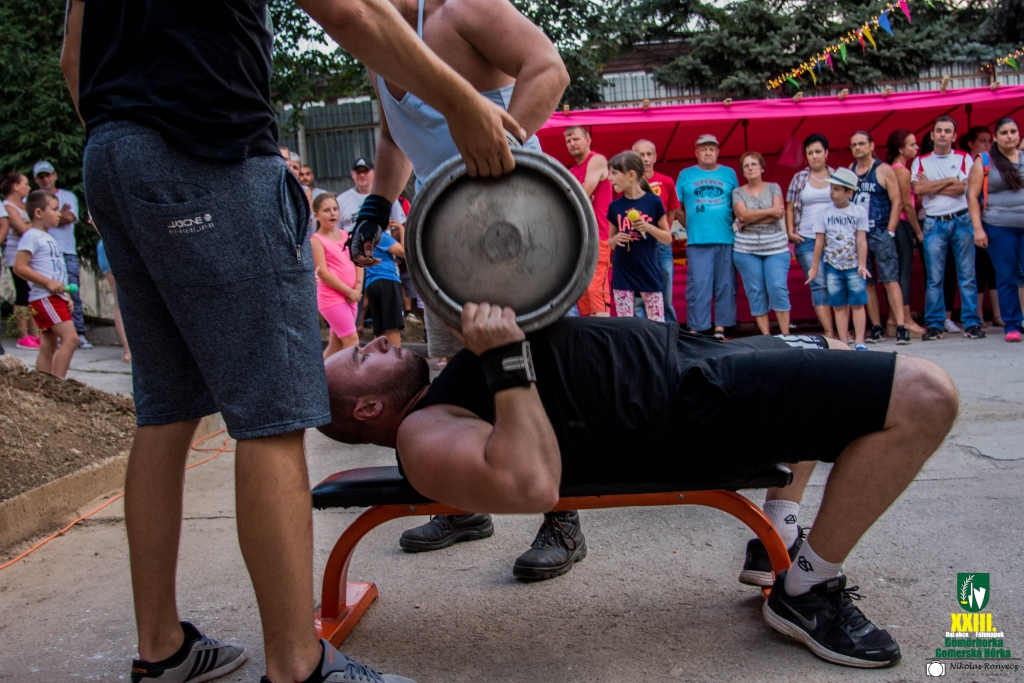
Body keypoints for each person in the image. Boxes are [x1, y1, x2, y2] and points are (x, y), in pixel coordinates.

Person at [63, 0, 524, 678]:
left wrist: (135, 153)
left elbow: (74, 58)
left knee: (165, 410)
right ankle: (297, 665)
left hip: (111, 156)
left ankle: (160, 649)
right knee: (274, 412)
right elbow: (349, 10)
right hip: (208, 147)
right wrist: (460, 101)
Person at [320, 302, 958, 670]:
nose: (375, 342)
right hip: (692, 406)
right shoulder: (421, 433)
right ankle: (808, 590)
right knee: (925, 395)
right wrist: (505, 357)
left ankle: (780, 537)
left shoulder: (439, 388)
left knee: (823, 348)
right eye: (362, 358)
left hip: (691, 359)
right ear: (369, 410)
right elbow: (529, 484)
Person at [348, 0, 579, 581]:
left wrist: (505, 151)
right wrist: (377, 204)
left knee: (534, 369)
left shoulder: (461, 9)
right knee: (453, 371)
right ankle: (464, 503)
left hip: (516, 227)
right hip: (446, 237)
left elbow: (549, 69)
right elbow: (393, 137)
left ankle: (563, 518)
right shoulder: (379, 40)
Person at [912, 116, 986, 340]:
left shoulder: (964, 157)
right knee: (935, 277)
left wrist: (932, 185)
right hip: (934, 221)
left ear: (954, 136)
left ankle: (971, 323)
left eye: (947, 131)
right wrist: (950, 181)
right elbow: (919, 190)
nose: (942, 134)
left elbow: (966, 188)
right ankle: (935, 324)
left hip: (962, 219)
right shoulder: (920, 161)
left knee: (967, 275)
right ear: (932, 135)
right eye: (939, 130)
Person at [848, 132, 910, 345]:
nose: (858, 148)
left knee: (890, 279)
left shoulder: (882, 169)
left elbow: (897, 200)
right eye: (854, 145)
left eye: (861, 144)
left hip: (880, 231)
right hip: (859, 234)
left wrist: (890, 230)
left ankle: (901, 326)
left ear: (871, 145)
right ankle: (876, 327)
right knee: (867, 281)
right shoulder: (851, 170)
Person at [677, 134, 739, 338]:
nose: (708, 152)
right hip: (697, 241)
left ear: (718, 152)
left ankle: (721, 327)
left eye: (712, 149)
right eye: (703, 149)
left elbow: (738, 204)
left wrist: (730, 221)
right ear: (696, 152)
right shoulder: (685, 175)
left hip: (726, 238)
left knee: (725, 285)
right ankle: (697, 329)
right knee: (698, 286)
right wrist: (690, 224)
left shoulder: (729, 173)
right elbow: (675, 206)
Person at [969, 118, 1024, 342]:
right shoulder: (984, 161)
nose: (1009, 136)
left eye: (1013, 131)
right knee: (1006, 275)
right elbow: (972, 197)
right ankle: (1012, 325)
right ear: (995, 137)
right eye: (1004, 132)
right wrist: (977, 228)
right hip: (998, 226)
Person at [12, 191, 78, 378]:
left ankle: (42, 384)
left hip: (54, 297)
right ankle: (58, 384)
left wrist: (65, 296)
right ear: (39, 213)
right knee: (71, 339)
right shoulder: (31, 236)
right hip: (45, 298)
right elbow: (19, 267)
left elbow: (57, 271)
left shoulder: (48, 237)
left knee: (49, 342)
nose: (59, 214)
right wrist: (48, 283)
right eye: (55, 209)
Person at [806, 168, 872, 350]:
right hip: (832, 266)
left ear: (849, 193)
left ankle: (860, 341)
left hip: (853, 266)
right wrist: (814, 267)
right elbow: (819, 241)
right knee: (838, 305)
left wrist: (862, 264)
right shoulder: (823, 212)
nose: (832, 192)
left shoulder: (858, 212)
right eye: (831, 188)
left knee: (858, 303)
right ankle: (843, 343)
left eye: (836, 189)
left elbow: (861, 240)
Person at [606, 151, 672, 320]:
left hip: (648, 269)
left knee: (656, 321)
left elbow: (667, 238)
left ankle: (655, 340)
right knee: (625, 323)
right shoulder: (614, 206)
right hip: (622, 272)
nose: (610, 178)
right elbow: (609, 242)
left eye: (614, 173)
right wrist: (615, 240)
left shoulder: (653, 202)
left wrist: (649, 228)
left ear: (631, 175)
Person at [32, 161, 92, 349]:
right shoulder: (32, 202)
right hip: (43, 257)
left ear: (55, 175)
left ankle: (78, 332)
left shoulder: (68, 196)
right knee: (52, 295)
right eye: (41, 176)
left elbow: (70, 217)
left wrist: (50, 217)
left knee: (72, 293)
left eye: (48, 175)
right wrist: (60, 215)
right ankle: (58, 333)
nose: (46, 179)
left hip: (66, 252)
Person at [731, 151, 791, 335]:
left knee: (777, 287)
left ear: (762, 168)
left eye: (754, 164)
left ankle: (786, 336)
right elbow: (742, 215)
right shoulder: (737, 192)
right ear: (743, 171)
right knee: (755, 291)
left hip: (776, 248)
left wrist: (750, 219)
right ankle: (767, 337)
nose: (750, 168)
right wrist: (769, 211)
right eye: (746, 166)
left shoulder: (774, 187)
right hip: (746, 250)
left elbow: (778, 214)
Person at [786, 133, 835, 338]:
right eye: (810, 153)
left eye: (818, 151)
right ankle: (829, 331)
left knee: (837, 284)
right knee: (818, 284)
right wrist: (790, 232)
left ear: (826, 153)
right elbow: (789, 207)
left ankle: (842, 330)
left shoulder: (837, 176)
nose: (814, 156)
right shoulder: (799, 178)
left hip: (836, 240)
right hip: (806, 239)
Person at [884, 129, 929, 337]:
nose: (916, 148)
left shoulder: (894, 169)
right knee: (904, 271)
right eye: (912, 145)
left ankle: (894, 319)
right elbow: (906, 205)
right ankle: (906, 318)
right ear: (901, 149)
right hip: (902, 224)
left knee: (898, 271)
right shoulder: (901, 171)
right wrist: (918, 231)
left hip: (898, 224)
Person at [565, 126, 612, 317]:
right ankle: (589, 334)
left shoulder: (596, 160)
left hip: (599, 235)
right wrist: (580, 198)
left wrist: (579, 197)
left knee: (596, 290)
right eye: (568, 141)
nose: (572, 144)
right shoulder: (571, 171)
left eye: (576, 139)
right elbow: (577, 200)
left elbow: (581, 196)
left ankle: (605, 333)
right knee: (583, 293)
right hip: (582, 238)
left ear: (588, 140)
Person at [632, 139, 681, 322]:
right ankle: (642, 331)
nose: (645, 158)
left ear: (655, 157)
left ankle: (670, 332)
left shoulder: (666, 181)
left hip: (661, 244)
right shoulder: (629, 183)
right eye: (641, 155)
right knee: (639, 297)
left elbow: (672, 212)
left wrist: (661, 232)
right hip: (638, 245)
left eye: (649, 154)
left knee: (665, 292)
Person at [961, 126, 1003, 328]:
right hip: (967, 220)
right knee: (975, 267)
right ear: (971, 143)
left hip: (991, 218)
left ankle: (998, 313)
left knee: (993, 267)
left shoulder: (994, 161)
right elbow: (967, 190)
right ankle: (977, 313)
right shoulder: (968, 161)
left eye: (989, 141)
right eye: (983, 141)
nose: (987, 144)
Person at [311, 193, 363, 358]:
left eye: (335, 209)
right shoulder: (316, 240)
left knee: (336, 345)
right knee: (352, 341)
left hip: (350, 296)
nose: (332, 213)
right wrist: (349, 291)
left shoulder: (345, 235)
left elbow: (358, 260)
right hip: (332, 298)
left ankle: (320, 374)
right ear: (316, 215)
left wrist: (357, 288)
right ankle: (359, 374)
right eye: (326, 210)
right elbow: (323, 272)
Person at [2, 173, 40, 349]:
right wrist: (39, 221)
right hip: (16, 255)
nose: (29, 187)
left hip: (31, 254)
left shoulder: (24, 205)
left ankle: (35, 334)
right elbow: (22, 229)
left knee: (32, 294)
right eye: (25, 184)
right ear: (15, 186)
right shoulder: (8, 206)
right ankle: (23, 336)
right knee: (23, 293)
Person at [363, 215, 406, 347]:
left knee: (379, 329)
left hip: (371, 282)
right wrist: (402, 230)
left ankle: (378, 358)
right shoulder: (381, 236)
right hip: (387, 280)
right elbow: (404, 252)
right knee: (392, 327)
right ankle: (396, 359)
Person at [336, 158, 406, 235]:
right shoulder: (341, 200)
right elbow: (335, 231)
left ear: (374, 173)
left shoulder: (386, 195)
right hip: (352, 239)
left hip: (382, 239)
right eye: (358, 172)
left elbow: (400, 224)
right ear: (352, 174)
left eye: (365, 171)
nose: (362, 175)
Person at [95, 235, 131, 364]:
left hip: (117, 244)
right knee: (120, 300)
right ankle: (128, 350)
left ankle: (130, 350)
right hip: (112, 245)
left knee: (123, 300)